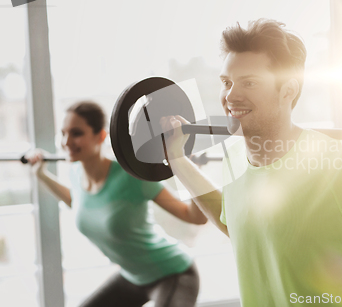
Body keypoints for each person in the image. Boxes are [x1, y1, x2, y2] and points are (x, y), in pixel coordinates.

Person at [162, 19, 342, 306]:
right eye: (226, 82)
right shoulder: (234, 159)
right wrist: (177, 160)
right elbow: (238, 226)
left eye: (249, 83)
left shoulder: (341, 165)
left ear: (287, 90)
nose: (230, 96)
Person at [27, 101, 207, 307]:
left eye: (76, 133)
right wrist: (42, 175)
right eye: (63, 133)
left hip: (172, 273)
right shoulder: (76, 175)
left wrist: (192, 169)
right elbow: (81, 203)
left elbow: (195, 217)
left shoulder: (131, 177)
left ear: (101, 136)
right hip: (133, 277)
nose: (66, 142)